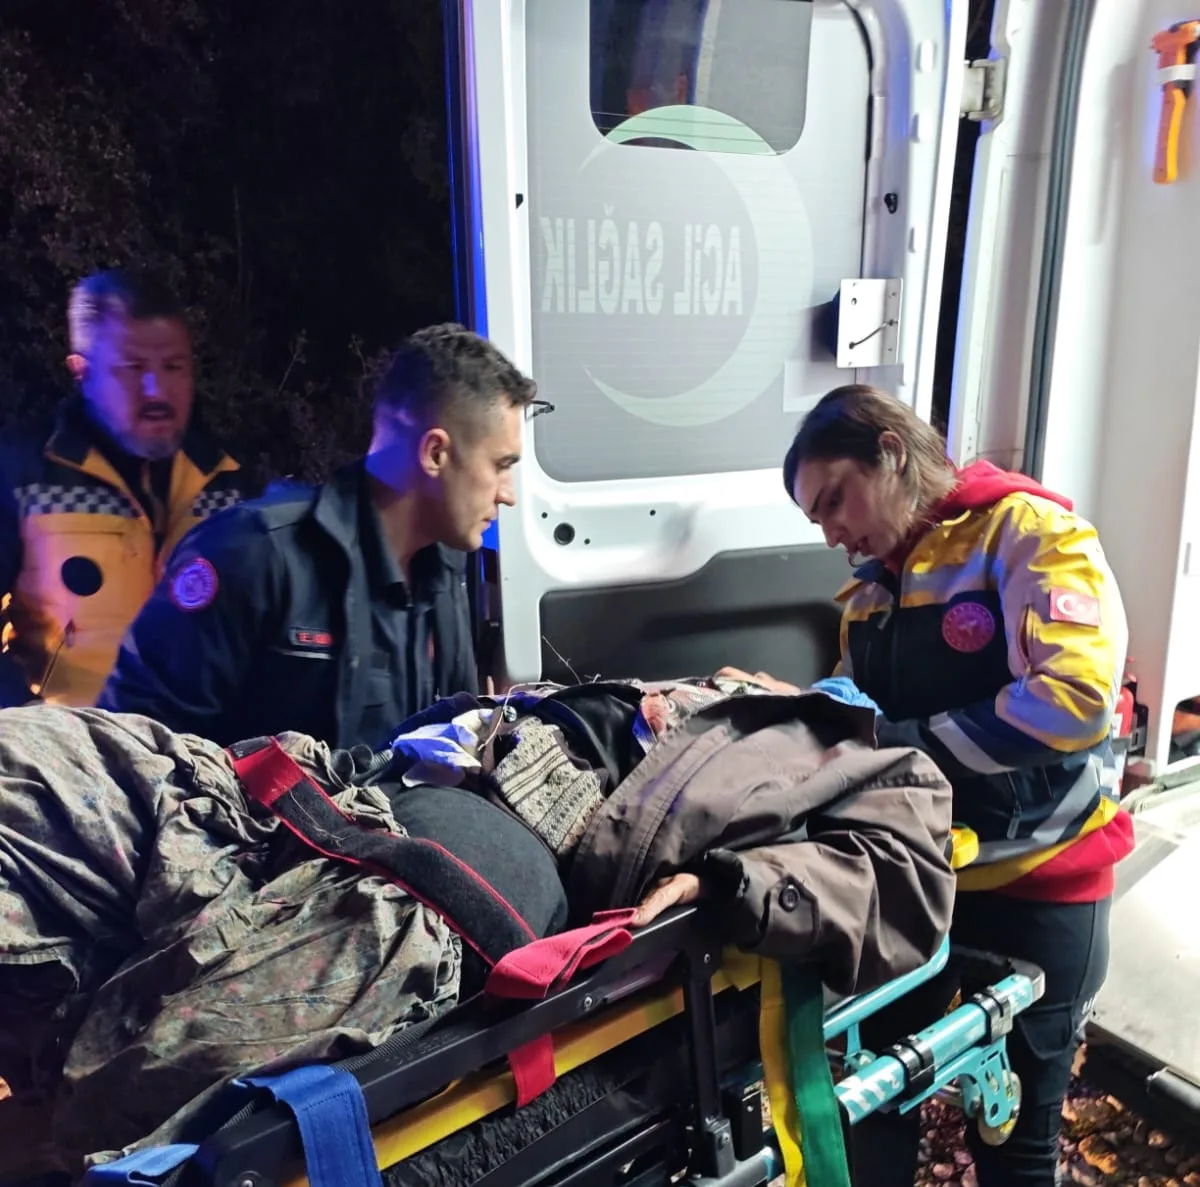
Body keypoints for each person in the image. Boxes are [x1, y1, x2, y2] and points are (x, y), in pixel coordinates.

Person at [0, 672, 954, 1172]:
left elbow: (913, 879)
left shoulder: (845, 749)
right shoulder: (677, 685)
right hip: (318, 789)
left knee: (115, 1095)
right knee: (26, 757)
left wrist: (732, 882)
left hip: (477, 862)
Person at [722, 384, 1136, 1187]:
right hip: (919, 882)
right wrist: (795, 712)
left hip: (1040, 883)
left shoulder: (1027, 533)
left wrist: (894, 744)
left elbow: (1075, 700)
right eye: (815, 518)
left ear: (890, 452)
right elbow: (859, 719)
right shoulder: (870, 594)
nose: (830, 532)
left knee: (1013, 1145)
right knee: (870, 1109)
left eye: (834, 500)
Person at [98, 323, 537, 750]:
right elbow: (134, 749)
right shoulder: (254, 552)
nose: (508, 494)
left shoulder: (444, 568)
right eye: (501, 465)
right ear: (435, 453)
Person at [0, 268, 246, 709]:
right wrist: (25, 726)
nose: (156, 390)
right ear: (81, 371)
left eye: (173, 367)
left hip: (196, 747)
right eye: (132, 367)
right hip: (67, 744)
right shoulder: (22, 473)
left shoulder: (230, 483)